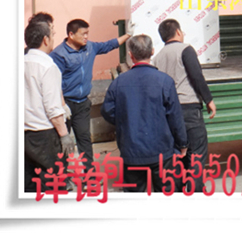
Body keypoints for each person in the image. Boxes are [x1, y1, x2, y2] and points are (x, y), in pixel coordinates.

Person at [101, 35, 188, 192]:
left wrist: (127, 120)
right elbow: (175, 117)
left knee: (135, 199)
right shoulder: (165, 81)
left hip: (131, 150)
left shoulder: (119, 82)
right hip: (161, 150)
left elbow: (107, 111)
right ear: (152, 51)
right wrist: (182, 144)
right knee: (167, 196)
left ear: (131, 55)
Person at [50, 19, 131, 172]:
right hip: (65, 103)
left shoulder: (90, 47)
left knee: (84, 139)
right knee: (62, 141)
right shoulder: (59, 54)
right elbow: (54, 82)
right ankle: (62, 175)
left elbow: (108, 45)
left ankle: (90, 175)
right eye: (83, 34)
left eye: (87, 33)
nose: (86, 37)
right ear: (71, 35)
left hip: (82, 103)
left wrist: (127, 35)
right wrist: (62, 105)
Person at [153, 19, 216, 192]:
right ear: (178, 32)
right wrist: (209, 100)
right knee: (196, 154)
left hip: (169, 112)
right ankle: (195, 193)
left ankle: (178, 193)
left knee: (177, 156)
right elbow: (196, 76)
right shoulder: (185, 50)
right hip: (189, 108)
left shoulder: (157, 57)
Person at [24, 21, 75, 192]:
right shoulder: (47, 66)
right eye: (52, 35)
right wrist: (64, 135)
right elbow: (52, 108)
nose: (53, 39)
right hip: (44, 134)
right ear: (45, 40)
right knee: (53, 182)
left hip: (24, 133)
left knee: (29, 183)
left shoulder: (20, 63)